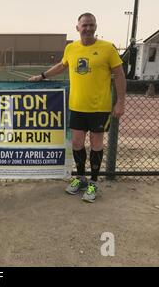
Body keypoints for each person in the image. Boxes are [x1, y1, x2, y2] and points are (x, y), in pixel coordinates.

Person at [29, 13, 126, 203]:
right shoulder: (71, 48)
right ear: (77, 28)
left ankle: (93, 182)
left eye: (91, 25)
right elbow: (61, 66)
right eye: (84, 25)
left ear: (96, 26)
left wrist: (121, 101)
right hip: (77, 106)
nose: (88, 28)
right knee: (77, 144)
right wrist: (42, 76)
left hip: (99, 108)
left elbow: (120, 75)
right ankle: (80, 178)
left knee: (96, 145)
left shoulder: (108, 48)